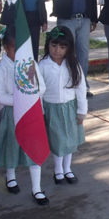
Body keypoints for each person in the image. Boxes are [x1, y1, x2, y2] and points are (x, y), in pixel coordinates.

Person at [0, 27, 49, 206]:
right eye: (14, 48)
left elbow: (42, 88)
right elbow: (0, 96)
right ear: (6, 48)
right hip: (12, 113)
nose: (20, 53)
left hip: (32, 112)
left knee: (34, 147)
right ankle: (11, 176)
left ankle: (37, 188)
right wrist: (22, 99)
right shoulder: (1, 68)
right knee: (12, 145)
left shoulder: (31, 63)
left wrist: (30, 93)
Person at [43, 0, 97, 98]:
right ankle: (68, 86)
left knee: (83, 55)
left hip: (84, 19)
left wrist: (93, 17)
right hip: (67, 20)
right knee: (66, 54)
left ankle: (82, 86)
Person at [39, 27, 87, 186]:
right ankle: (58, 170)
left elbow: (80, 88)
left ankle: (68, 168)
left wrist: (81, 111)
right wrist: (41, 111)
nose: (57, 50)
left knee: (70, 140)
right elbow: (38, 92)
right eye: (53, 45)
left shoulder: (73, 65)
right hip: (52, 109)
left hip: (70, 108)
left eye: (62, 47)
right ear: (48, 45)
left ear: (69, 48)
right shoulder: (43, 66)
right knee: (58, 141)